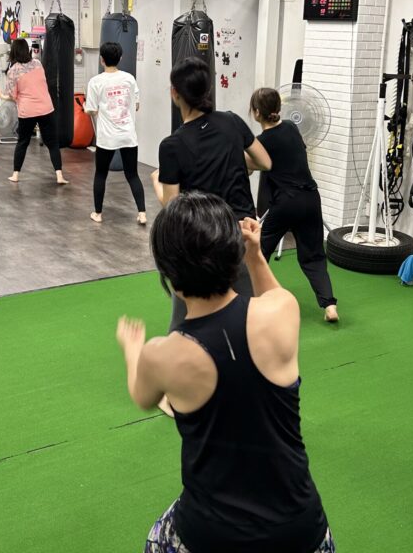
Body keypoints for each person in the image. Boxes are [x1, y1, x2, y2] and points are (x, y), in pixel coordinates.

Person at [117, 192, 334, 553]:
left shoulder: (162, 354)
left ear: (169, 274)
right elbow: (271, 295)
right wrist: (255, 254)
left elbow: (142, 397)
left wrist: (132, 350)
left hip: (210, 535)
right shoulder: (282, 312)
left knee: (157, 541)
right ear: (232, 257)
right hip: (300, 530)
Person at [153, 56, 271, 330]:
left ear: (174, 93)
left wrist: (157, 181)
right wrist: (233, 160)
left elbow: (172, 207)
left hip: (201, 241)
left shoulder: (172, 145)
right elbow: (265, 162)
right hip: (241, 234)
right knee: (247, 319)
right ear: (208, 90)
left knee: (187, 324)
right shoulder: (232, 121)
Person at [248, 88, 338, 323]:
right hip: (311, 198)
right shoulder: (291, 127)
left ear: (256, 112)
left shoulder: (261, 142)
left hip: (287, 202)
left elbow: (248, 166)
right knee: (313, 256)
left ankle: (249, 300)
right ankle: (329, 305)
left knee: (258, 252)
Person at [84, 40, 146, 225]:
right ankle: (142, 213)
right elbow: (136, 105)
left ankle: (98, 214)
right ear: (120, 58)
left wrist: (88, 107)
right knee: (132, 175)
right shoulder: (129, 79)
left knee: (101, 174)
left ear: (101, 60)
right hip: (128, 135)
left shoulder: (95, 82)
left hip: (107, 138)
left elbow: (92, 110)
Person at [0, 37, 67, 185]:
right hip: (46, 108)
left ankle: (15, 175)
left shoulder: (13, 71)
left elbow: (12, 96)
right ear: (27, 49)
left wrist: (1, 96)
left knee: (23, 142)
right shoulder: (37, 63)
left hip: (27, 110)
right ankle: (59, 175)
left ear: (13, 52)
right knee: (52, 143)